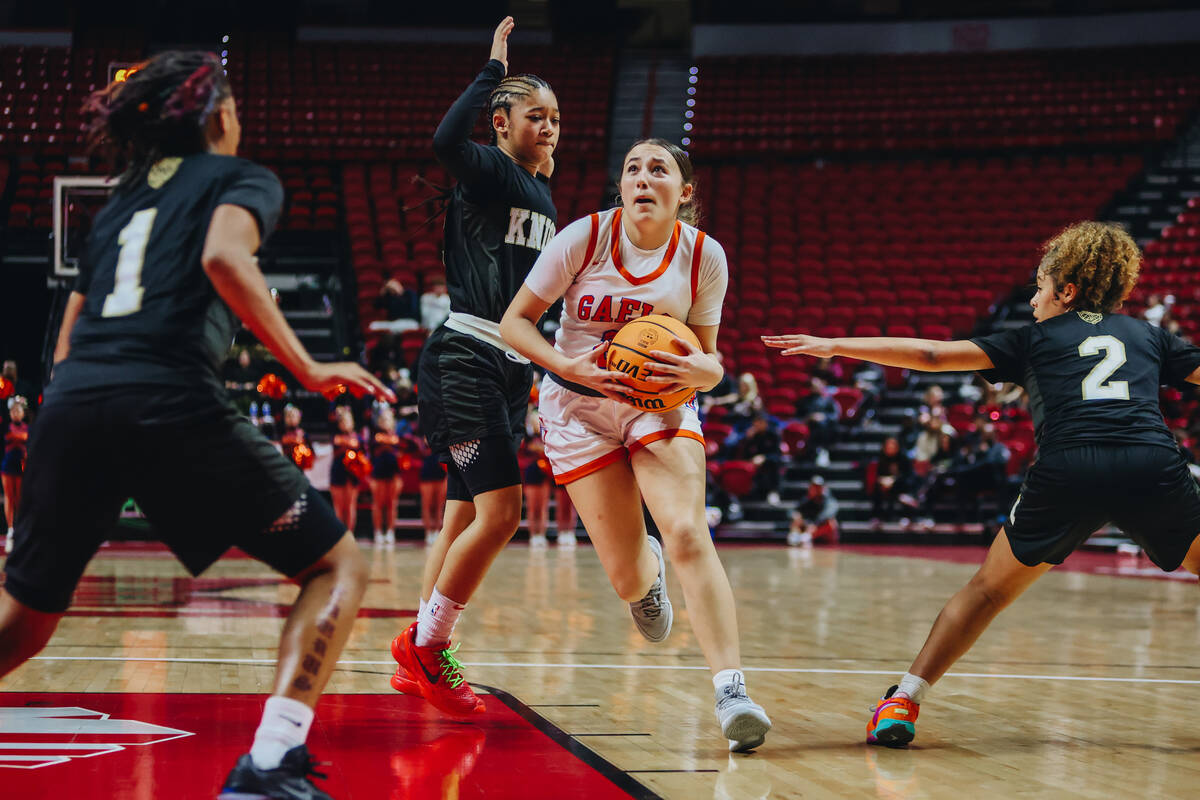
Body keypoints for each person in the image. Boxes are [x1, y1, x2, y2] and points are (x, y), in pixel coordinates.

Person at [0, 51, 396, 800]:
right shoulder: (240, 178)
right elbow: (223, 257)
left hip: (77, 399)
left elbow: (72, 324)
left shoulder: (119, 201)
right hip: (169, 395)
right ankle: (272, 762)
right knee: (336, 565)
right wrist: (312, 369)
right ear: (218, 116)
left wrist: (73, 407)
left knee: (25, 618)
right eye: (237, 108)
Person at [764, 221, 1200, 749]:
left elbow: (931, 356)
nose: (1033, 300)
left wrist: (835, 344)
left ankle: (901, 700)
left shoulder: (1034, 338)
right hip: (1149, 463)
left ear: (1067, 291)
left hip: (1069, 469)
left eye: (1040, 287)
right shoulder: (1149, 336)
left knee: (989, 590)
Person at [500, 138, 772, 752]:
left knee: (686, 530)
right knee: (626, 578)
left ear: (686, 190)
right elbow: (515, 322)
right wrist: (570, 369)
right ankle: (643, 577)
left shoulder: (703, 255)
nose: (642, 178)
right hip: (577, 403)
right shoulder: (584, 238)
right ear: (621, 188)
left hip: (659, 397)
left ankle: (732, 692)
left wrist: (712, 373)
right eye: (631, 169)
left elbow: (707, 354)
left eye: (658, 169)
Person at [390, 16, 561, 716]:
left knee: (462, 517)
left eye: (556, 118)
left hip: (507, 366)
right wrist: (492, 67)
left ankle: (418, 651)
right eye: (536, 115)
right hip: (466, 356)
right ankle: (427, 649)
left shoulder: (543, 195)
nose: (549, 127)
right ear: (500, 121)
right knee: (501, 514)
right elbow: (442, 141)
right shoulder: (491, 170)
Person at [369, 404, 404, 545]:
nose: (385, 421)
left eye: (388, 419)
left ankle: (390, 531)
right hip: (378, 473)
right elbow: (371, 453)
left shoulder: (398, 436)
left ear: (392, 421)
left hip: (394, 474)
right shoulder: (374, 436)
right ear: (378, 421)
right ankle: (377, 532)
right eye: (382, 419)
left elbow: (402, 453)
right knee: (378, 503)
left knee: (391, 504)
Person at [329, 406, 364, 536]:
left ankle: (349, 534)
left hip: (352, 474)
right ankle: (339, 535)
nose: (345, 424)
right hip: (338, 472)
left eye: (348, 421)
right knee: (339, 506)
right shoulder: (335, 436)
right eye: (342, 421)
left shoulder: (358, 437)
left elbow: (362, 452)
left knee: (350, 506)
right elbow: (335, 451)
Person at [2, 396, 29, 552]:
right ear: (10, 413)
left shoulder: (27, 427)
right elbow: (9, 438)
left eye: (18, 410)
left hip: (21, 467)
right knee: (9, 496)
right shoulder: (6, 427)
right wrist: (22, 438)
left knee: (19, 498)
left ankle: (19, 527)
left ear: (22, 413)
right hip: (8, 466)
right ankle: (10, 528)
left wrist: (23, 439)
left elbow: (28, 440)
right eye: (13, 411)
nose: (15, 413)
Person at [788, 475, 839, 546]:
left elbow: (829, 513)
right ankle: (795, 536)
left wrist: (815, 524)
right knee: (796, 518)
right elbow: (793, 511)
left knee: (832, 523)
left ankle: (807, 537)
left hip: (819, 530)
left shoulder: (829, 500)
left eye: (818, 487)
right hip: (808, 527)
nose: (816, 489)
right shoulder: (807, 499)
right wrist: (796, 516)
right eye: (814, 487)